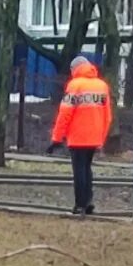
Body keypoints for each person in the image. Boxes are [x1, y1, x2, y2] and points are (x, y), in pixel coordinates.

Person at [48, 55, 113, 217]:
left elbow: (65, 114)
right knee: (87, 168)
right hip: (95, 136)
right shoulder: (102, 86)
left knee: (79, 170)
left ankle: (80, 205)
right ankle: (89, 201)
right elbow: (108, 116)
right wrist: (101, 137)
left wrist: (56, 138)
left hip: (77, 136)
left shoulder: (74, 85)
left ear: (75, 69)